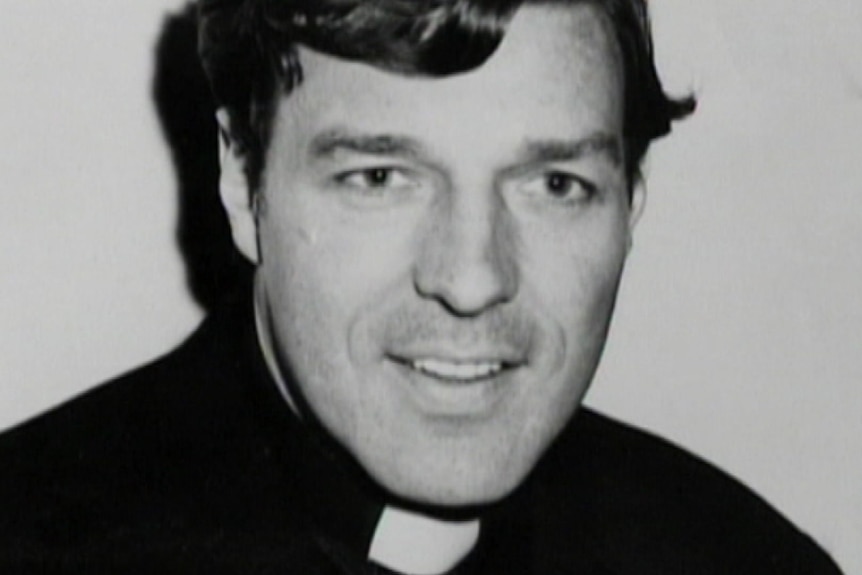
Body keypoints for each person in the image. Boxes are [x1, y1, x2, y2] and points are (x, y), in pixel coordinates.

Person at [0, 0, 843, 573]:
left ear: (632, 201)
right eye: (379, 176)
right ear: (240, 177)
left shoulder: (744, 558)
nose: (473, 279)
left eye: (553, 184)